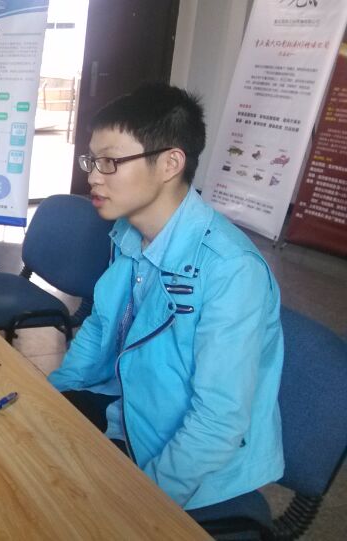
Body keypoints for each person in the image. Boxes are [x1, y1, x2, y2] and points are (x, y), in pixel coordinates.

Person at [48, 83, 284, 512]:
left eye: (110, 162)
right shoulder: (129, 232)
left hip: (192, 473)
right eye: (92, 160)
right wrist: (51, 397)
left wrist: (146, 504)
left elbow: (218, 420)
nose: (93, 176)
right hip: (130, 421)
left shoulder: (231, 269)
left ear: (170, 163)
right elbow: (101, 326)